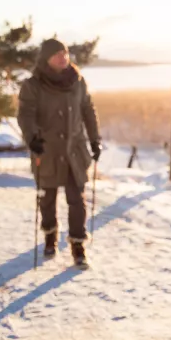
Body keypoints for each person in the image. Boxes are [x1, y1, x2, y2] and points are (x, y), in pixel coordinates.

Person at [17, 38, 101, 269]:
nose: (63, 57)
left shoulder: (78, 81)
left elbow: (88, 110)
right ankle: (50, 236)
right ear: (46, 59)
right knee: (47, 198)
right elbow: (26, 115)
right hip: (47, 150)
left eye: (64, 53)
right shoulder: (33, 85)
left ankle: (78, 246)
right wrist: (32, 138)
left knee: (77, 200)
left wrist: (95, 140)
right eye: (57, 54)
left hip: (74, 151)